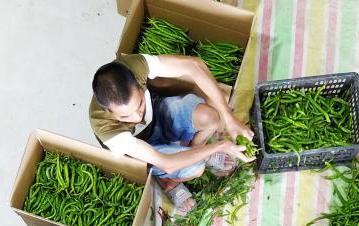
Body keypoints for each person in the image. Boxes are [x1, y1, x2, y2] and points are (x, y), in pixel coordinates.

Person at [90, 52, 253, 215]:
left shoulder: (133, 67)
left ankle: (196, 150)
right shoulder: (105, 127)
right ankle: (169, 181)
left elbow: (194, 65)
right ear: (108, 111)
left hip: (157, 114)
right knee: (196, 168)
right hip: (145, 151)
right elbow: (167, 163)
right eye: (125, 116)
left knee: (211, 117)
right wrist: (219, 146)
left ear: (139, 85)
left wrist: (229, 118)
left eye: (139, 104)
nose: (137, 117)